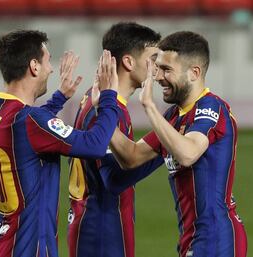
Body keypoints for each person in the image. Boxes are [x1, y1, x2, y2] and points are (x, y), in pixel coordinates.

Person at [0, 29, 120, 257]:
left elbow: (26, 136)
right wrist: (110, 94)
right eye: (48, 61)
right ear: (34, 66)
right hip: (27, 248)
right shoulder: (31, 121)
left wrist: (59, 97)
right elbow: (95, 144)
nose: (51, 69)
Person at [109, 31, 248, 257]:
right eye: (158, 68)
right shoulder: (174, 115)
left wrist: (149, 107)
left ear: (194, 73)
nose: (157, 76)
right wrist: (102, 115)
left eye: (166, 70)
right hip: (192, 238)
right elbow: (132, 156)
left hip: (216, 239)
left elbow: (188, 153)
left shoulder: (210, 108)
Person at [67, 22, 161, 257]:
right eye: (153, 58)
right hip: (101, 229)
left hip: (92, 220)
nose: (157, 67)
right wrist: (165, 145)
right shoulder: (108, 110)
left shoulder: (97, 98)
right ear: (129, 62)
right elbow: (114, 179)